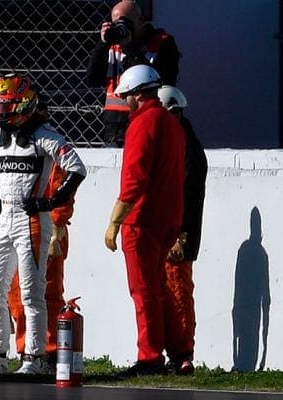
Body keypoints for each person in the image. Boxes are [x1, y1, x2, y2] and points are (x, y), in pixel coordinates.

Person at [0, 74, 86, 375]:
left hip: (32, 221)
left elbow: (77, 168)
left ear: (25, 104)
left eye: (6, 108)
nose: (0, 114)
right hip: (4, 219)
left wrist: (50, 202)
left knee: (32, 293)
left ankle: (35, 358)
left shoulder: (45, 136)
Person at [103, 65, 185, 376]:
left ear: (138, 95)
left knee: (143, 290)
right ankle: (180, 352)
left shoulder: (143, 123)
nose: (124, 105)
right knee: (159, 287)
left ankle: (150, 357)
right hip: (168, 218)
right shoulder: (171, 123)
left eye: (125, 98)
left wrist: (114, 222)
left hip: (142, 220)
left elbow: (134, 180)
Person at [157, 85, 207, 376]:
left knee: (177, 291)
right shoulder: (178, 140)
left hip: (178, 234)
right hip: (169, 230)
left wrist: (180, 235)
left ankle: (182, 354)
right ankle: (174, 351)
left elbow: (187, 195)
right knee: (167, 291)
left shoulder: (186, 146)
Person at [6, 162, 74, 370]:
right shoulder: (17, 148)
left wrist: (57, 228)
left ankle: (50, 354)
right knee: (18, 296)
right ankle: (28, 351)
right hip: (19, 228)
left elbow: (63, 186)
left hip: (46, 229)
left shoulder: (50, 146)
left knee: (47, 294)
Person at [86, 0, 181, 147]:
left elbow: (163, 82)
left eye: (126, 22)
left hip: (147, 122)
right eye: (116, 23)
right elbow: (92, 79)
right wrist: (102, 44)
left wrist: (129, 48)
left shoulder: (162, 43)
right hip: (115, 127)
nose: (121, 27)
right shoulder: (111, 44)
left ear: (141, 21)